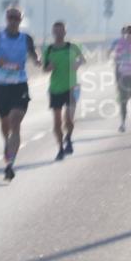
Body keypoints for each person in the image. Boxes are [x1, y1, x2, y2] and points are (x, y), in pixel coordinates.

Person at [0, 7, 42, 181]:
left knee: (16, 120)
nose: (13, 21)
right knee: (5, 123)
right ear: (6, 19)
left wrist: (38, 60)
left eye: (16, 18)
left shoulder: (26, 38)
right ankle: (7, 145)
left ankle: (10, 164)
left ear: (21, 20)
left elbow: (34, 54)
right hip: (0, 85)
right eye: (11, 18)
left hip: (19, 84)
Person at [42, 22, 85, 160]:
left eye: (61, 31)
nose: (58, 34)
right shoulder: (48, 49)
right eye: (56, 32)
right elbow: (44, 69)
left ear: (65, 32)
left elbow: (83, 59)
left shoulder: (73, 47)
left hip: (71, 87)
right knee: (57, 122)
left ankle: (69, 138)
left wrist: (77, 64)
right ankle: (60, 148)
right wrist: (50, 67)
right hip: (55, 89)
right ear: (53, 33)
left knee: (69, 120)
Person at [113, 24, 131, 132]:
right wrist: (117, 75)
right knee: (123, 100)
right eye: (128, 33)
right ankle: (123, 123)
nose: (129, 35)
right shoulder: (120, 44)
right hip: (123, 74)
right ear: (125, 34)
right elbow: (116, 59)